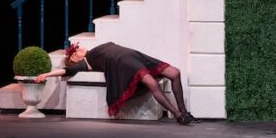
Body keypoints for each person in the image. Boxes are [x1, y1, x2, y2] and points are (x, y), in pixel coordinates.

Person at [36, 42, 197, 124]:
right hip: (123, 62)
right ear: (75, 60)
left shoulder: (93, 51)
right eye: (76, 52)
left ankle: (184, 112)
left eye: (78, 48)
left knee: (175, 72)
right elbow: (65, 71)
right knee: (152, 84)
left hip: (133, 54)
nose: (79, 49)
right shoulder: (86, 63)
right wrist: (47, 74)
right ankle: (178, 116)